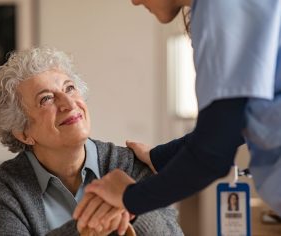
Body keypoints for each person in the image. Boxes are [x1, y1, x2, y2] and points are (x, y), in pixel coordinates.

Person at [73, 0, 281, 227]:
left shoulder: (220, 8)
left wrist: (129, 197)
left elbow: (213, 154)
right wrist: (159, 157)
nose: (134, 1)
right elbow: (237, 123)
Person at [0, 47, 184, 235]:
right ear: (23, 133)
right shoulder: (3, 187)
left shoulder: (128, 164)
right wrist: (84, 227)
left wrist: (132, 201)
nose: (69, 103)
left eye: (69, 88)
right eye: (46, 99)